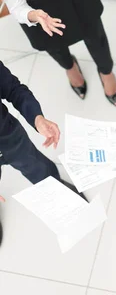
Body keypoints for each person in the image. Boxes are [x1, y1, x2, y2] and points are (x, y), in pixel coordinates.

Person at [0, 60, 83, 245]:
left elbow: (13, 89)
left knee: (36, 165)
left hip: (8, 137)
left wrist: (37, 118)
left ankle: (56, 188)